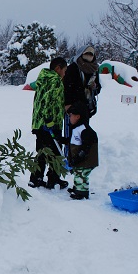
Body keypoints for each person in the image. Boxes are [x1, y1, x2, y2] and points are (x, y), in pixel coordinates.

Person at [29, 57, 69, 190]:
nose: (64, 74)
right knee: (55, 153)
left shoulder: (43, 78)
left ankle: (35, 179)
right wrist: (49, 121)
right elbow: (48, 100)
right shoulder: (55, 80)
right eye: (64, 70)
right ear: (58, 68)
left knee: (41, 151)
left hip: (38, 123)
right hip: (50, 124)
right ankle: (54, 180)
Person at [66, 101, 99, 200]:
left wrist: (80, 156)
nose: (69, 117)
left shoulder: (85, 130)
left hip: (86, 160)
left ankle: (82, 192)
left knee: (81, 174)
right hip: (80, 159)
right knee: (77, 173)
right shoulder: (76, 128)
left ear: (77, 117)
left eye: (71, 115)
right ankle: (77, 188)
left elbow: (86, 146)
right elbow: (73, 141)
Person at [64, 45, 101, 116]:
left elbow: (98, 88)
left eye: (91, 54)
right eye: (86, 53)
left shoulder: (94, 69)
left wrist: (95, 87)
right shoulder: (73, 68)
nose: (89, 56)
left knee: (84, 127)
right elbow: (67, 88)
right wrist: (67, 104)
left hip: (87, 106)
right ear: (81, 54)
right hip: (72, 107)